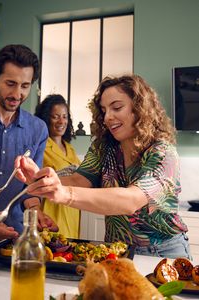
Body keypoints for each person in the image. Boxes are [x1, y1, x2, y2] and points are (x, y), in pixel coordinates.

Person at [15, 74, 191, 259]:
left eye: (117, 107)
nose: (108, 117)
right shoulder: (104, 147)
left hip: (163, 253)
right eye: (104, 110)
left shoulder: (163, 152)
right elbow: (78, 180)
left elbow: (131, 200)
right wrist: (39, 179)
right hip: (117, 249)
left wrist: (64, 194)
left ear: (140, 108)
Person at [0, 44, 58, 241]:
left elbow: (31, 186)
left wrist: (36, 211)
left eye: (25, 86)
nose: (17, 94)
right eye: (10, 83)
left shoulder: (38, 129)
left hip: (13, 235)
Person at [35, 94, 81, 238]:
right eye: (55, 116)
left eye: (64, 116)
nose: (61, 121)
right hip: (51, 210)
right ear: (45, 118)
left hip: (72, 210)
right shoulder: (40, 147)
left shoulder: (70, 149)